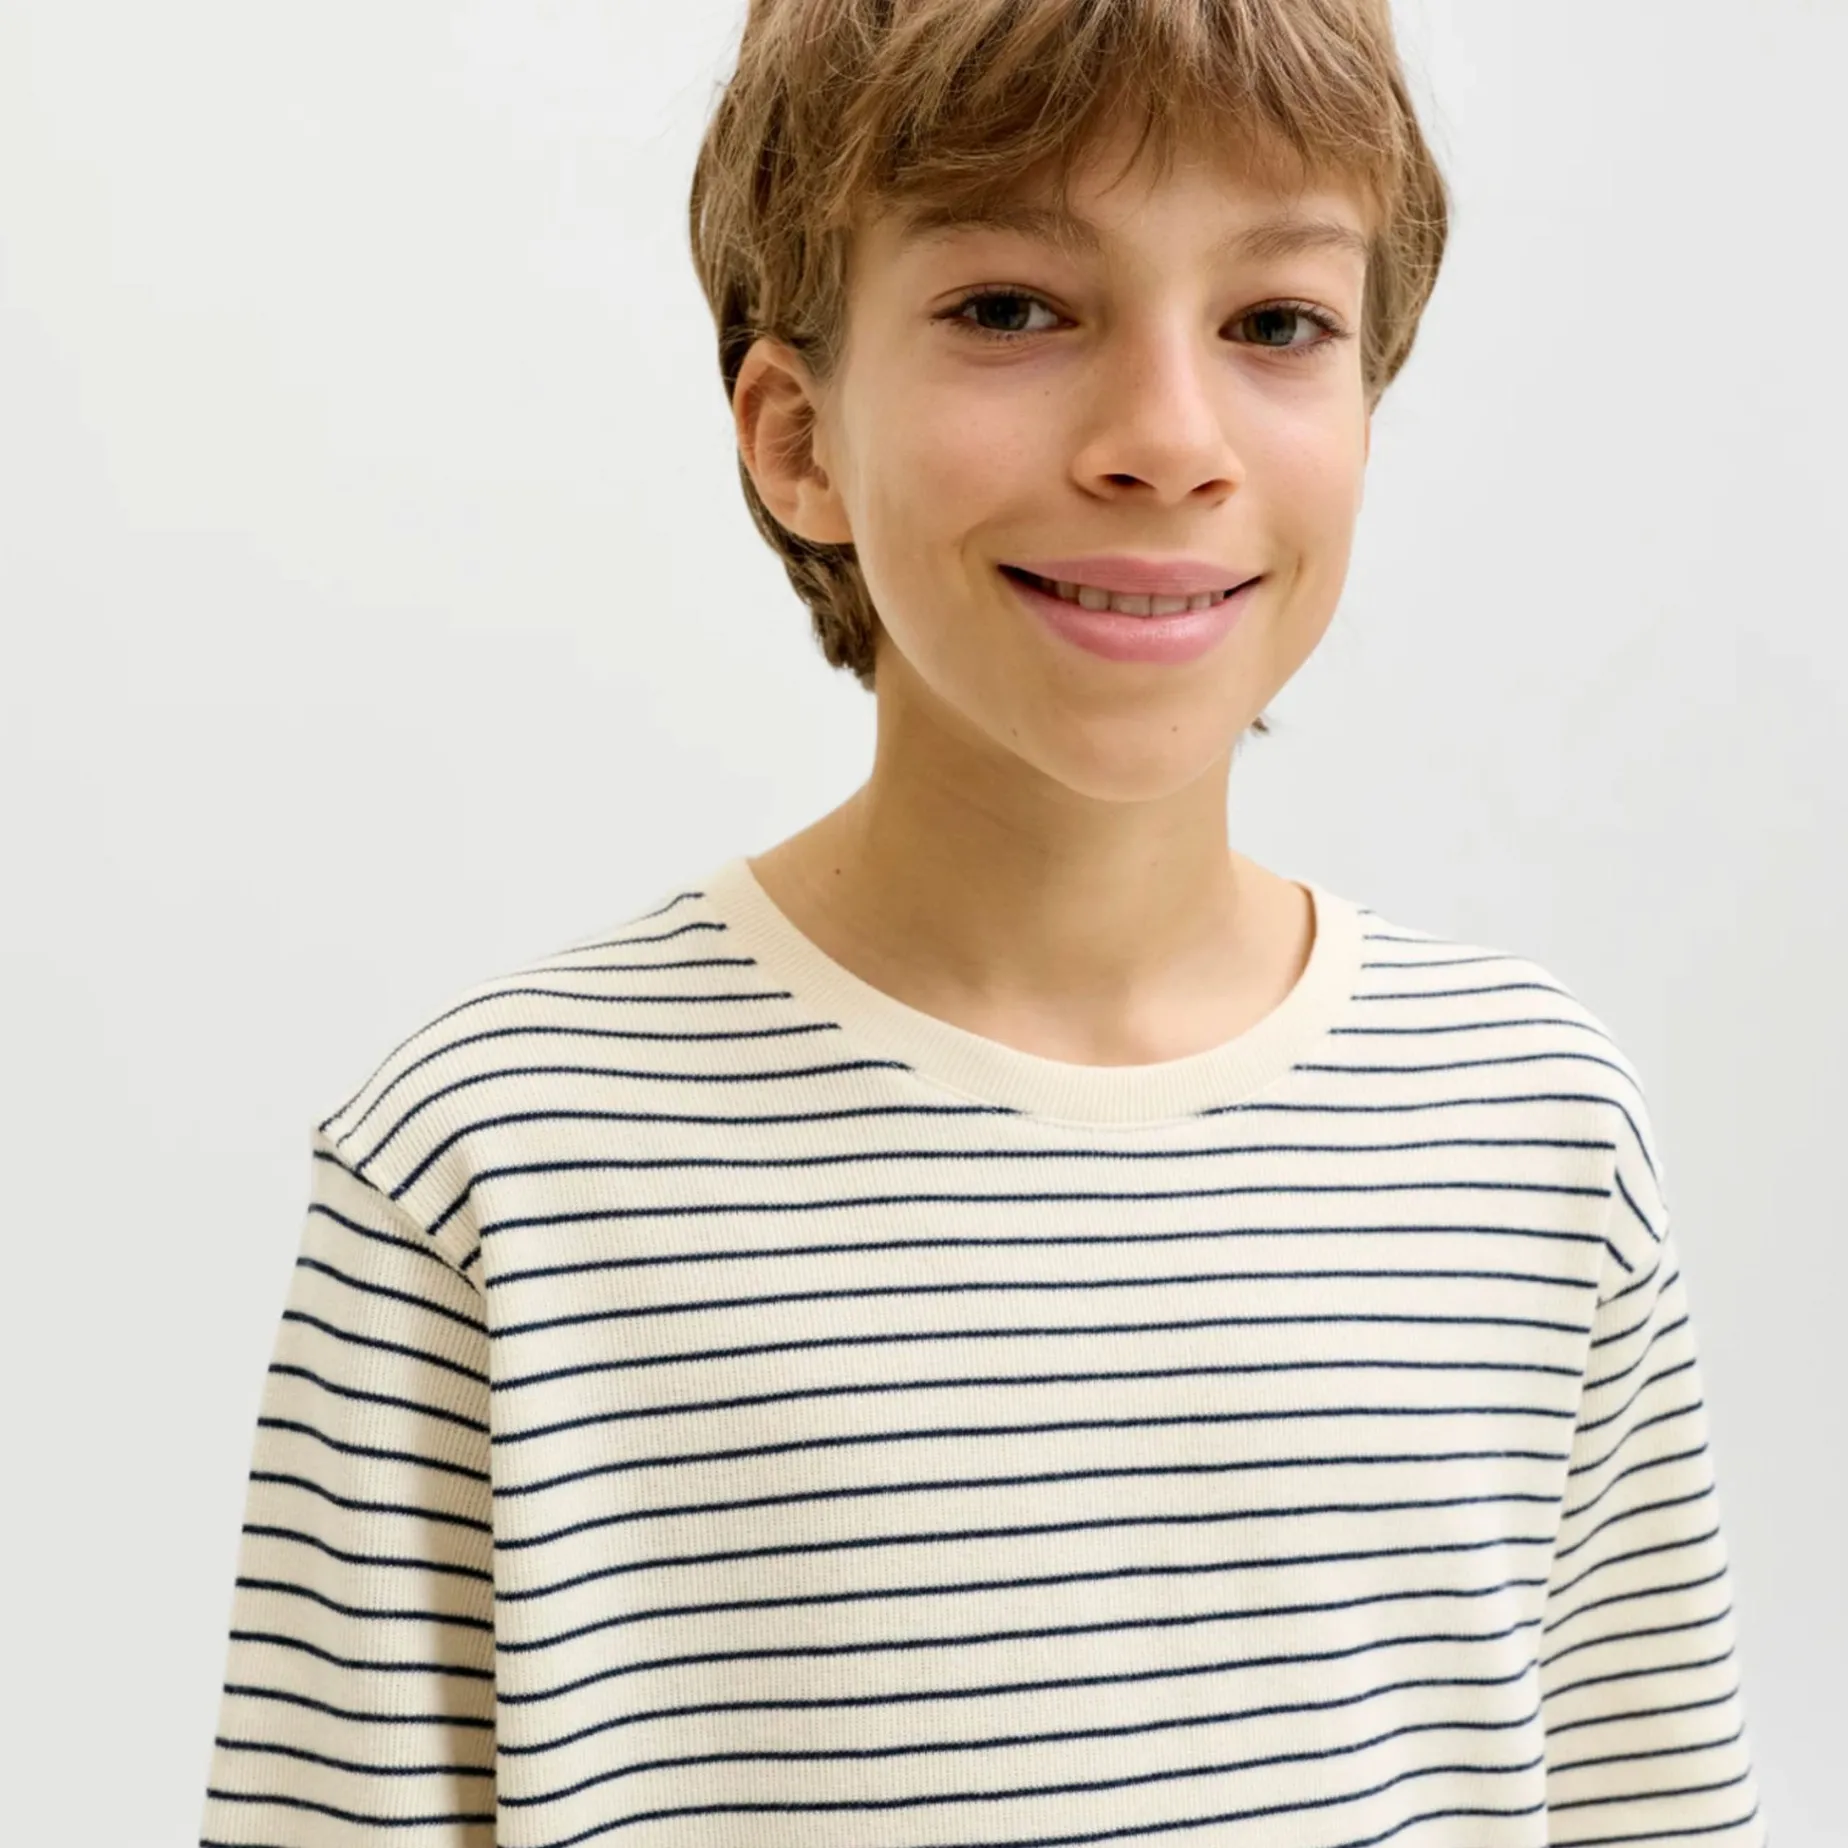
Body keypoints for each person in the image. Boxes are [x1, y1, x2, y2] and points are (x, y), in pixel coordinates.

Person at [198, 2, 1770, 1842]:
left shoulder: (1531, 1128)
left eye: (1276, 324)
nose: (1167, 442)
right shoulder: (496, 1169)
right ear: (798, 439)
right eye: (1014, 308)